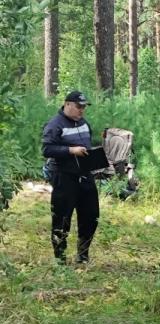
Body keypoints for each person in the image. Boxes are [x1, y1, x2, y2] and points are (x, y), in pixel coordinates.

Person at [42, 90, 97, 264]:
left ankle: (83, 256)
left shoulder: (83, 123)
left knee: (91, 216)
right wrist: (70, 150)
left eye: (84, 107)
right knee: (62, 218)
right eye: (78, 106)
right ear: (67, 105)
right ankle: (60, 259)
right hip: (64, 178)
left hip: (85, 176)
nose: (82, 110)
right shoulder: (55, 124)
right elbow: (47, 149)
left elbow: (88, 145)